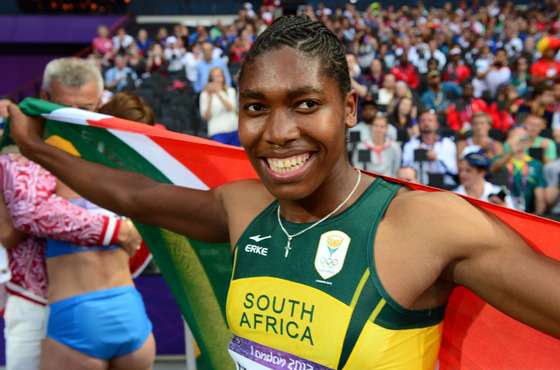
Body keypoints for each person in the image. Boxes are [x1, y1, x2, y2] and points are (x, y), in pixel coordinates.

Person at [5, 15, 560, 370]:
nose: (277, 132)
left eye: (305, 103)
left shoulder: (424, 225)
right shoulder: (244, 206)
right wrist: (39, 150)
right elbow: (137, 196)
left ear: (349, 109)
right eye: (255, 107)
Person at [4, 57, 155, 370]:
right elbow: (23, 219)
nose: (73, 117)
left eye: (85, 108)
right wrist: (118, 229)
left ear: (99, 102)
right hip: (36, 301)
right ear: (44, 99)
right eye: (63, 106)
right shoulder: (17, 145)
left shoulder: (111, 151)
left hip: (110, 300)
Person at [402, 110, 458, 186]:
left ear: (437, 124)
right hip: (418, 185)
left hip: (444, 187)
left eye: (430, 120)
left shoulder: (447, 144)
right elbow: (405, 170)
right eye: (423, 120)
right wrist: (419, 155)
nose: (426, 123)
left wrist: (437, 158)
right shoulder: (411, 144)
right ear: (418, 124)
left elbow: (454, 171)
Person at [199, 67, 239, 146]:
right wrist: (210, 98)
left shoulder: (231, 91)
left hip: (234, 129)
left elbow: (231, 108)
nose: (218, 79)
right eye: (215, 76)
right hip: (217, 131)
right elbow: (205, 117)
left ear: (223, 77)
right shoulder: (204, 94)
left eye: (220, 76)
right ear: (211, 79)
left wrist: (218, 93)